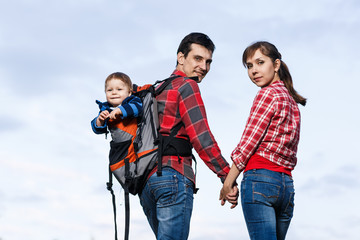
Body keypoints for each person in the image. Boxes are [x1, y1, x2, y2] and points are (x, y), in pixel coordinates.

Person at [139, 32, 238, 240]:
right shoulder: (187, 86)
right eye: (198, 59)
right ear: (181, 57)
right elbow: (202, 138)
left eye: (208, 61)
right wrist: (227, 176)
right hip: (173, 176)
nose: (204, 66)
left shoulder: (156, 89)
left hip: (148, 184)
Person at [220, 41, 307, 240]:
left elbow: (248, 143)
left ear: (276, 65)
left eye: (260, 62)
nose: (254, 71)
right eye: (249, 66)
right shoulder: (292, 102)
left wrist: (228, 182)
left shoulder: (267, 94)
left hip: (260, 181)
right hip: (286, 187)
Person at [91, 71, 142, 147]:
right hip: (119, 149)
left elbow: (138, 108)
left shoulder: (133, 101)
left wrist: (120, 110)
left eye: (119, 89)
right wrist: (100, 120)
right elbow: (97, 130)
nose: (114, 92)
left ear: (129, 93)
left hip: (136, 145)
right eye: (109, 90)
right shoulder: (106, 109)